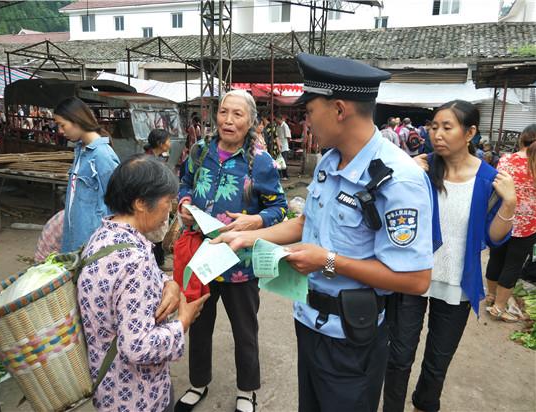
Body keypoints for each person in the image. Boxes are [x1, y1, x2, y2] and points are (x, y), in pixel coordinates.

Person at [213, 53, 434, 412]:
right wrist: (248, 237)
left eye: (309, 110)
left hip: (351, 336)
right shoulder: (330, 163)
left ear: (340, 109)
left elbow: (416, 279)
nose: (305, 119)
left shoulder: (399, 179)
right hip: (309, 321)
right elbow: (307, 223)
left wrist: (328, 261)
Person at [383, 100, 516, 412]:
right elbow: (393, 216)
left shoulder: (488, 180)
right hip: (412, 278)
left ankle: (424, 404)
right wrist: (404, 177)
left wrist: (508, 204)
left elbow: (493, 238)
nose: (436, 134)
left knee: (437, 361)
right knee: (399, 356)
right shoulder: (422, 168)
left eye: (447, 127)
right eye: (434, 126)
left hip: (457, 282)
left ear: (469, 132)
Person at [175, 89, 287, 412]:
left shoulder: (261, 161)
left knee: (244, 330)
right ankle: (198, 383)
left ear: (251, 120)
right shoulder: (199, 151)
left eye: (237, 114)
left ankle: (246, 391)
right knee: (198, 324)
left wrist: (255, 220)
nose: (228, 120)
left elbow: (279, 208)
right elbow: (184, 183)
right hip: (203, 255)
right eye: (224, 112)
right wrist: (184, 203)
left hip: (241, 262)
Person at [78, 155, 209, 412]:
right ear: (140, 203)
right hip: (138, 397)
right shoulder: (134, 260)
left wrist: (168, 283)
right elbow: (138, 347)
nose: (169, 210)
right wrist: (184, 319)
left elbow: (124, 289)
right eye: (166, 202)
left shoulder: (104, 237)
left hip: (108, 388)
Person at [54, 97, 120, 253]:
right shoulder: (81, 150)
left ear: (76, 120)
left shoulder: (102, 155)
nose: (60, 131)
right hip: (75, 236)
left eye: (62, 125)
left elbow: (117, 203)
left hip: (93, 242)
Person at [485, 124, 536, 321]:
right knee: (513, 265)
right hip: (528, 225)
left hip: (502, 220)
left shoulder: (506, 160)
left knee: (496, 259)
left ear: (522, 140)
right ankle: (499, 307)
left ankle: (490, 296)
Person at [144, 128, 173, 267]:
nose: (170, 143)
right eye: (168, 140)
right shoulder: (149, 161)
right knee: (154, 237)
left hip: (159, 201)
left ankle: (158, 263)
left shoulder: (158, 157)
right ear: (160, 143)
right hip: (153, 203)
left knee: (159, 235)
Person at [275, 112, 291, 180]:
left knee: (284, 161)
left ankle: (285, 176)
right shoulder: (278, 126)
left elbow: (288, 137)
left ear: (280, 119)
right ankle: (281, 175)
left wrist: (286, 145)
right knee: (279, 161)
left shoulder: (285, 126)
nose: (276, 120)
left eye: (277, 119)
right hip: (279, 146)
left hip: (284, 146)